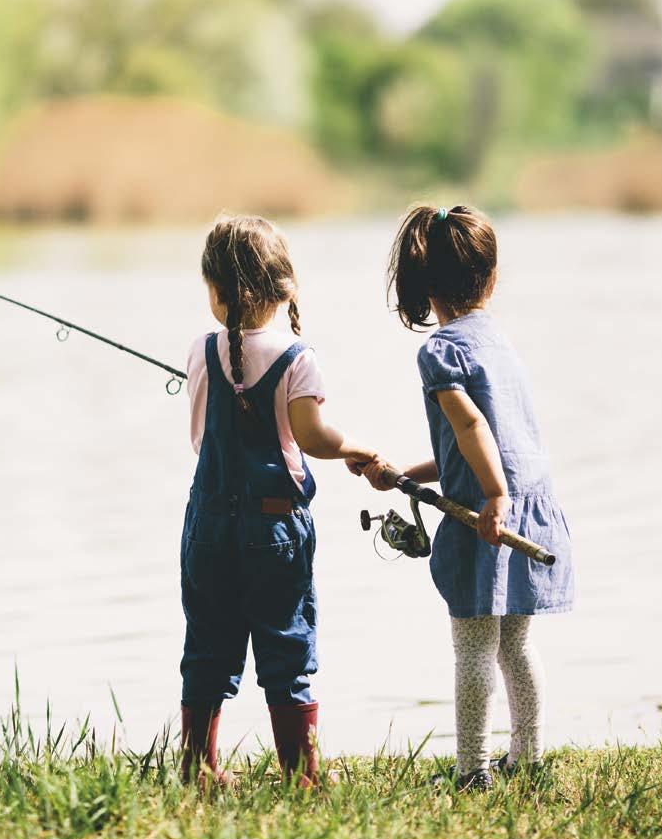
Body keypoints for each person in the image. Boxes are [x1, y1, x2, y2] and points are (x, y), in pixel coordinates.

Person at [363, 204, 574, 790]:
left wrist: (494, 495)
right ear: (492, 276)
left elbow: (472, 429)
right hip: (526, 508)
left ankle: (472, 772)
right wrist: (409, 472)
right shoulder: (499, 344)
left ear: (428, 288)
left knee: (473, 649)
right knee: (515, 647)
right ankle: (527, 758)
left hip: (492, 514)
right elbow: (481, 439)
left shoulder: (441, 351)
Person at [181, 214, 375, 787]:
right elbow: (313, 439)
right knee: (287, 647)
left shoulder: (201, 350)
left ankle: (198, 767)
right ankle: (302, 772)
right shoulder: (298, 359)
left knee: (208, 644)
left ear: (217, 292)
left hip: (209, 528)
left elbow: (198, 440)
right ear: (282, 288)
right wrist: (358, 449)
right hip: (275, 533)